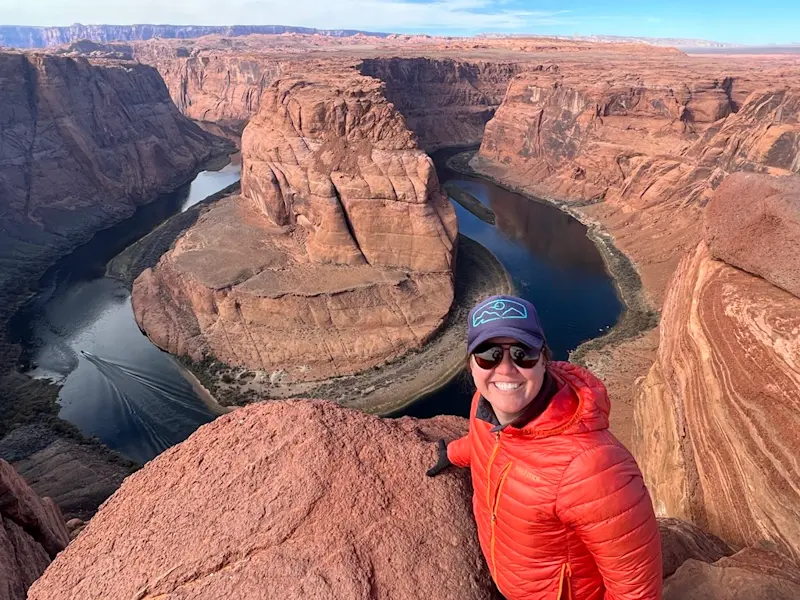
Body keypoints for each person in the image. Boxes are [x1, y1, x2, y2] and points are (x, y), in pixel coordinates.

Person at [427, 294, 662, 600]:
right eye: (488, 354)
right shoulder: (483, 406)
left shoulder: (593, 468)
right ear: (471, 364)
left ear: (543, 360)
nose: (505, 369)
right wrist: (452, 454)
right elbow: (491, 443)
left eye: (522, 353)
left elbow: (636, 591)